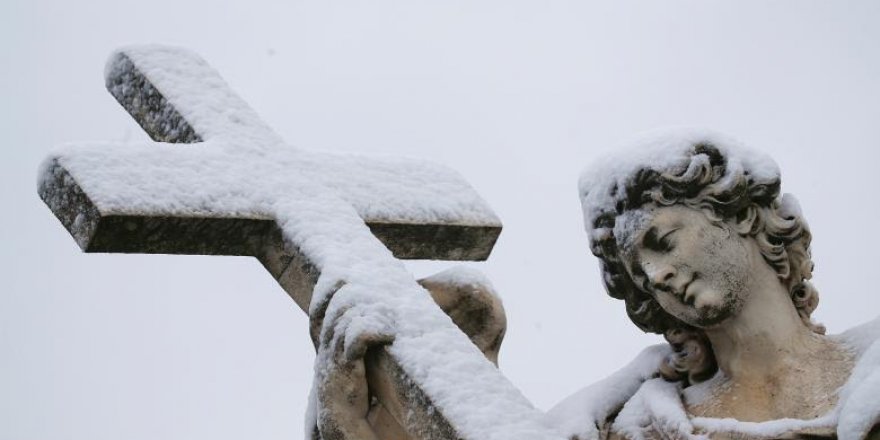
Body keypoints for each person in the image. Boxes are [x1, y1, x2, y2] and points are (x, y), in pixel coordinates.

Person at [311, 129, 880, 440]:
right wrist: (370, 407)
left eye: (663, 240)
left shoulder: (871, 366)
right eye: (640, 275)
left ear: (741, 215)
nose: (656, 276)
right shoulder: (632, 424)